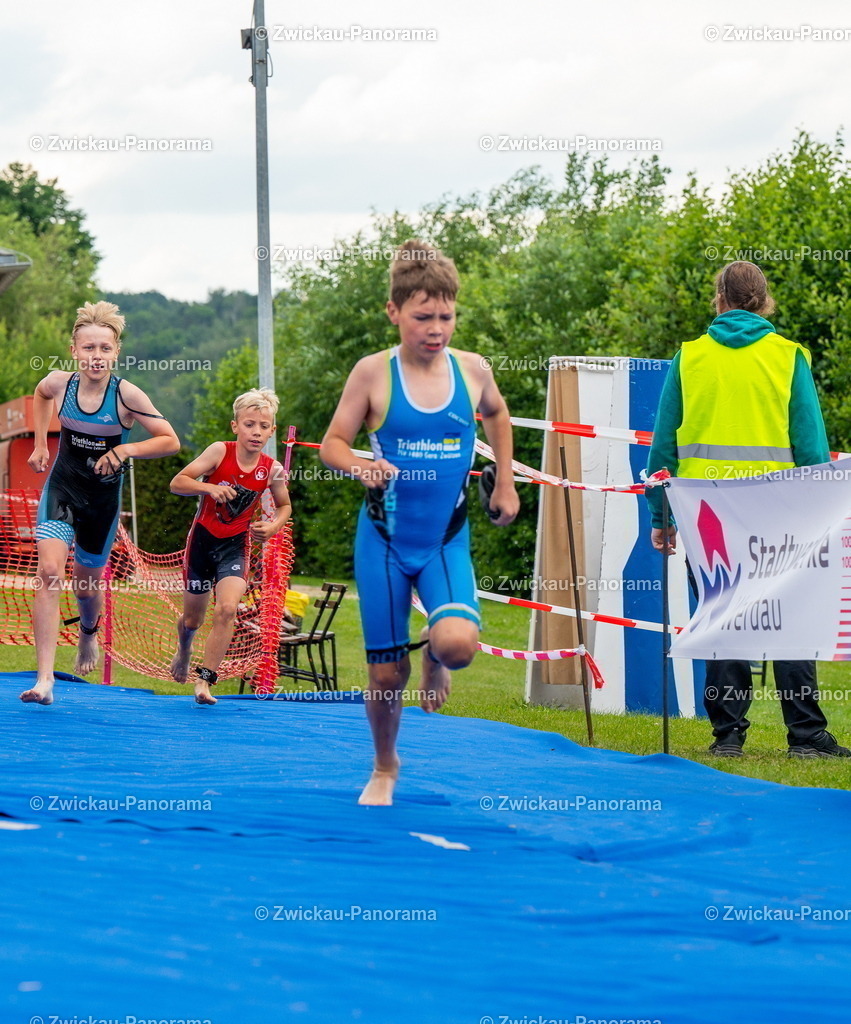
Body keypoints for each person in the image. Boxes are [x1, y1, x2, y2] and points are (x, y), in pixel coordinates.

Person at [320, 239, 520, 805]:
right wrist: (361, 464)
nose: (436, 329)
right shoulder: (372, 374)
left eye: (446, 317)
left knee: (458, 643)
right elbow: (333, 444)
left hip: (443, 541)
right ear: (394, 312)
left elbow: (498, 415)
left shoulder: (473, 370)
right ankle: (385, 765)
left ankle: (434, 656)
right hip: (383, 542)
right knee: (385, 677)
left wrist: (503, 481)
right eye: (422, 317)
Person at [646, 260, 850, 759]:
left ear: (719, 300)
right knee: (791, 618)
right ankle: (806, 737)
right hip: (780, 516)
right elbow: (811, 448)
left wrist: (661, 517)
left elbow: (662, 451)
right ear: (765, 301)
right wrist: (821, 514)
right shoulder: (787, 358)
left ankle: (728, 736)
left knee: (722, 618)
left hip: (708, 518)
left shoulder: (689, 358)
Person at [22, 301, 181, 705]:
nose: (96, 357)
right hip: (63, 489)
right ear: (74, 351)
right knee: (49, 571)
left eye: (104, 349)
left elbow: (169, 440)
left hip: (101, 503)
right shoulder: (61, 384)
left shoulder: (126, 395)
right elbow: (40, 396)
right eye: (89, 348)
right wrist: (42, 443)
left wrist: (126, 452)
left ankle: (89, 634)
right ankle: (45, 680)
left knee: (87, 585)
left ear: (116, 352)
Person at [169, 388, 291, 704]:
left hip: (235, 547)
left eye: (264, 426)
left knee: (227, 609)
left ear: (272, 430)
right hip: (202, 543)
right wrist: (209, 487)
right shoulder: (218, 452)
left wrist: (273, 526)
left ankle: (204, 681)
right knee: (192, 620)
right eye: (250, 424)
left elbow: (284, 506)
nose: (257, 432)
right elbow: (178, 482)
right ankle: (184, 648)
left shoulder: (272, 468)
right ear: (235, 426)